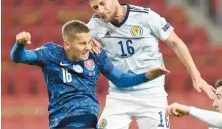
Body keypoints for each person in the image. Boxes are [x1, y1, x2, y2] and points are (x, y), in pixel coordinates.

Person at [84, 0, 216, 129]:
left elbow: (175, 42)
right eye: (95, 7)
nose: (100, 10)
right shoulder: (93, 27)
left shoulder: (146, 16)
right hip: (119, 95)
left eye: (103, 3)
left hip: (152, 94)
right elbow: (77, 49)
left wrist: (196, 76)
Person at [10, 20, 169, 129]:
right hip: (62, 121)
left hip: (88, 120)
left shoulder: (96, 55)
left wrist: (146, 76)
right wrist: (19, 44)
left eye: (89, 41)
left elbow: (120, 80)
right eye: (82, 43)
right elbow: (19, 57)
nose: (88, 47)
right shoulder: (51, 53)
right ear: (67, 44)